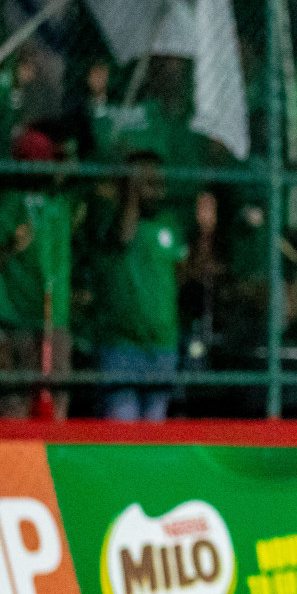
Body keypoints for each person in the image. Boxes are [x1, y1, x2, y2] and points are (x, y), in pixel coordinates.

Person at [0, 130, 79, 418]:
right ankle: (23, 464)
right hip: (19, 320)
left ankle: (55, 460)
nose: (48, 168)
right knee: (21, 411)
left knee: (57, 408)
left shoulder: (62, 202)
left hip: (56, 321)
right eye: (39, 161)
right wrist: (10, 246)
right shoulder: (9, 204)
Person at [94, 152, 188, 422]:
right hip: (121, 345)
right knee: (122, 431)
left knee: (154, 433)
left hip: (162, 345)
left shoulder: (169, 221)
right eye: (147, 183)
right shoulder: (108, 217)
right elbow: (123, 237)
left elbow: (182, 273)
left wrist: (206, 232)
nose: (157, 190)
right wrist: (131, 195)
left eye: (160, 183)